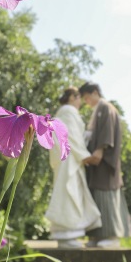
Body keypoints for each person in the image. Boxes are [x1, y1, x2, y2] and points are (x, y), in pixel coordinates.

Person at [46, 87, 102, 248]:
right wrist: (85, 155)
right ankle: (66, 236)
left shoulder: (62, 112)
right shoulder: (69, 111)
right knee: (69, 194)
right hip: (69, 160)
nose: (80, 102)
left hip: (68, 159)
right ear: (71, 97)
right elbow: (72, 137)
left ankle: (66, 235)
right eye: (78, 98)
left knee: (68, 193)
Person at [80, 82, 131, 248]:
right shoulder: (97, 110)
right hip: (97, 166)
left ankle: (112, 236)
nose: (87, 102)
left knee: (107, 197)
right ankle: (97, 237)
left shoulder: (106, 108)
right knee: (96, 198)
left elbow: (106, 133)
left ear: (95, 92)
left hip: (104, 162)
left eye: (87, 98)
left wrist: (100, 150)